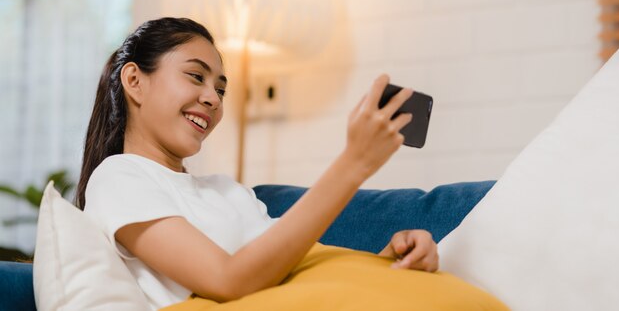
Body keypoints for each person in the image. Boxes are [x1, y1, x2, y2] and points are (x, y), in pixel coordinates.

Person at [76, 17, 507, 311]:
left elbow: (290, 274)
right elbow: (229, 281)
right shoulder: (118, 178)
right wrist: (353, 164)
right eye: (196, 76)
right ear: (134, 80)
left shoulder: (227, 190)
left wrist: (387, 259)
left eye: (221, 89)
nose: (212, 97)